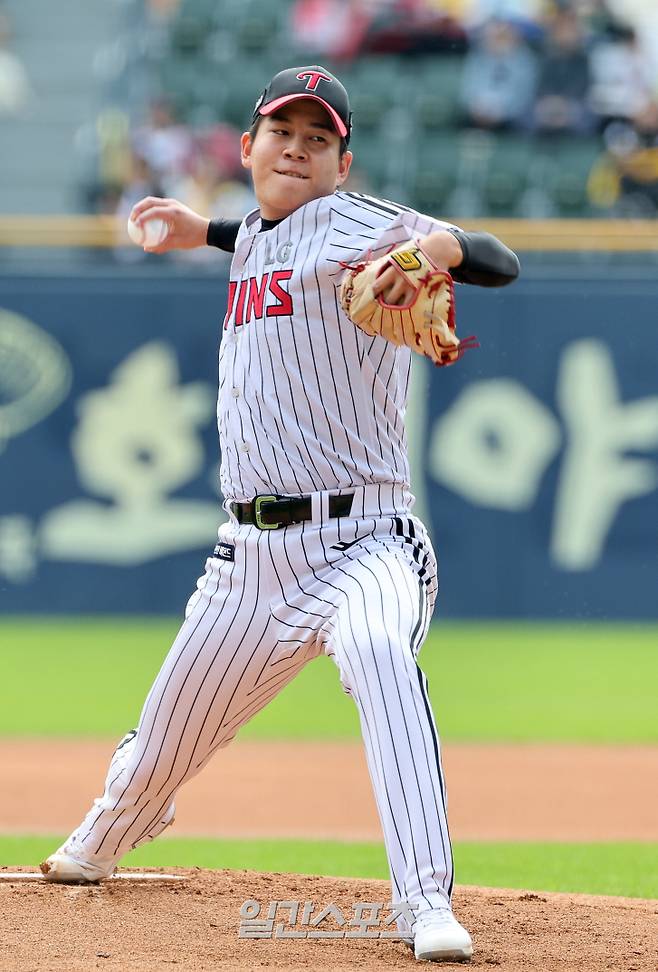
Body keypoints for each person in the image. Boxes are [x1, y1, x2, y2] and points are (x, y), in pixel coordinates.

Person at [40, 65, 519, 963]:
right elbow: (266, 233)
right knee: (154, 757)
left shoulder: (362, 222)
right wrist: (202, 230)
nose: (296, 150)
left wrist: (440, 252)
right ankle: (109, 834)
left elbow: (497, 257)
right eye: (281, 135)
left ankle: (425, 905)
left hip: (365, 540)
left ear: (344, 162)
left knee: (381, 658)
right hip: (250, 563)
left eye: (317, 140)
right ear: (251, 147)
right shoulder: (261, 231)